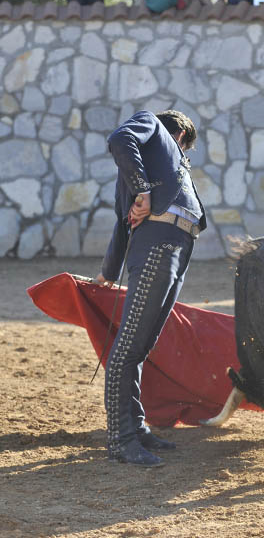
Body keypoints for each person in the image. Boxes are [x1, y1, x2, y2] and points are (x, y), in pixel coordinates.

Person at [95, 109, 206, 467]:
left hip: (177, 246)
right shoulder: (151, 125)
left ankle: (136, 427)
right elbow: (119, 139)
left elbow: (121, 220)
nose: (184, 154)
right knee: (129, 345)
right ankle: (120, 440)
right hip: (158, 243)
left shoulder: (159, 167)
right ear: (178, 132)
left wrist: (107, 273)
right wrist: (143, 189)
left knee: (140, 346)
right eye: (184, 144)